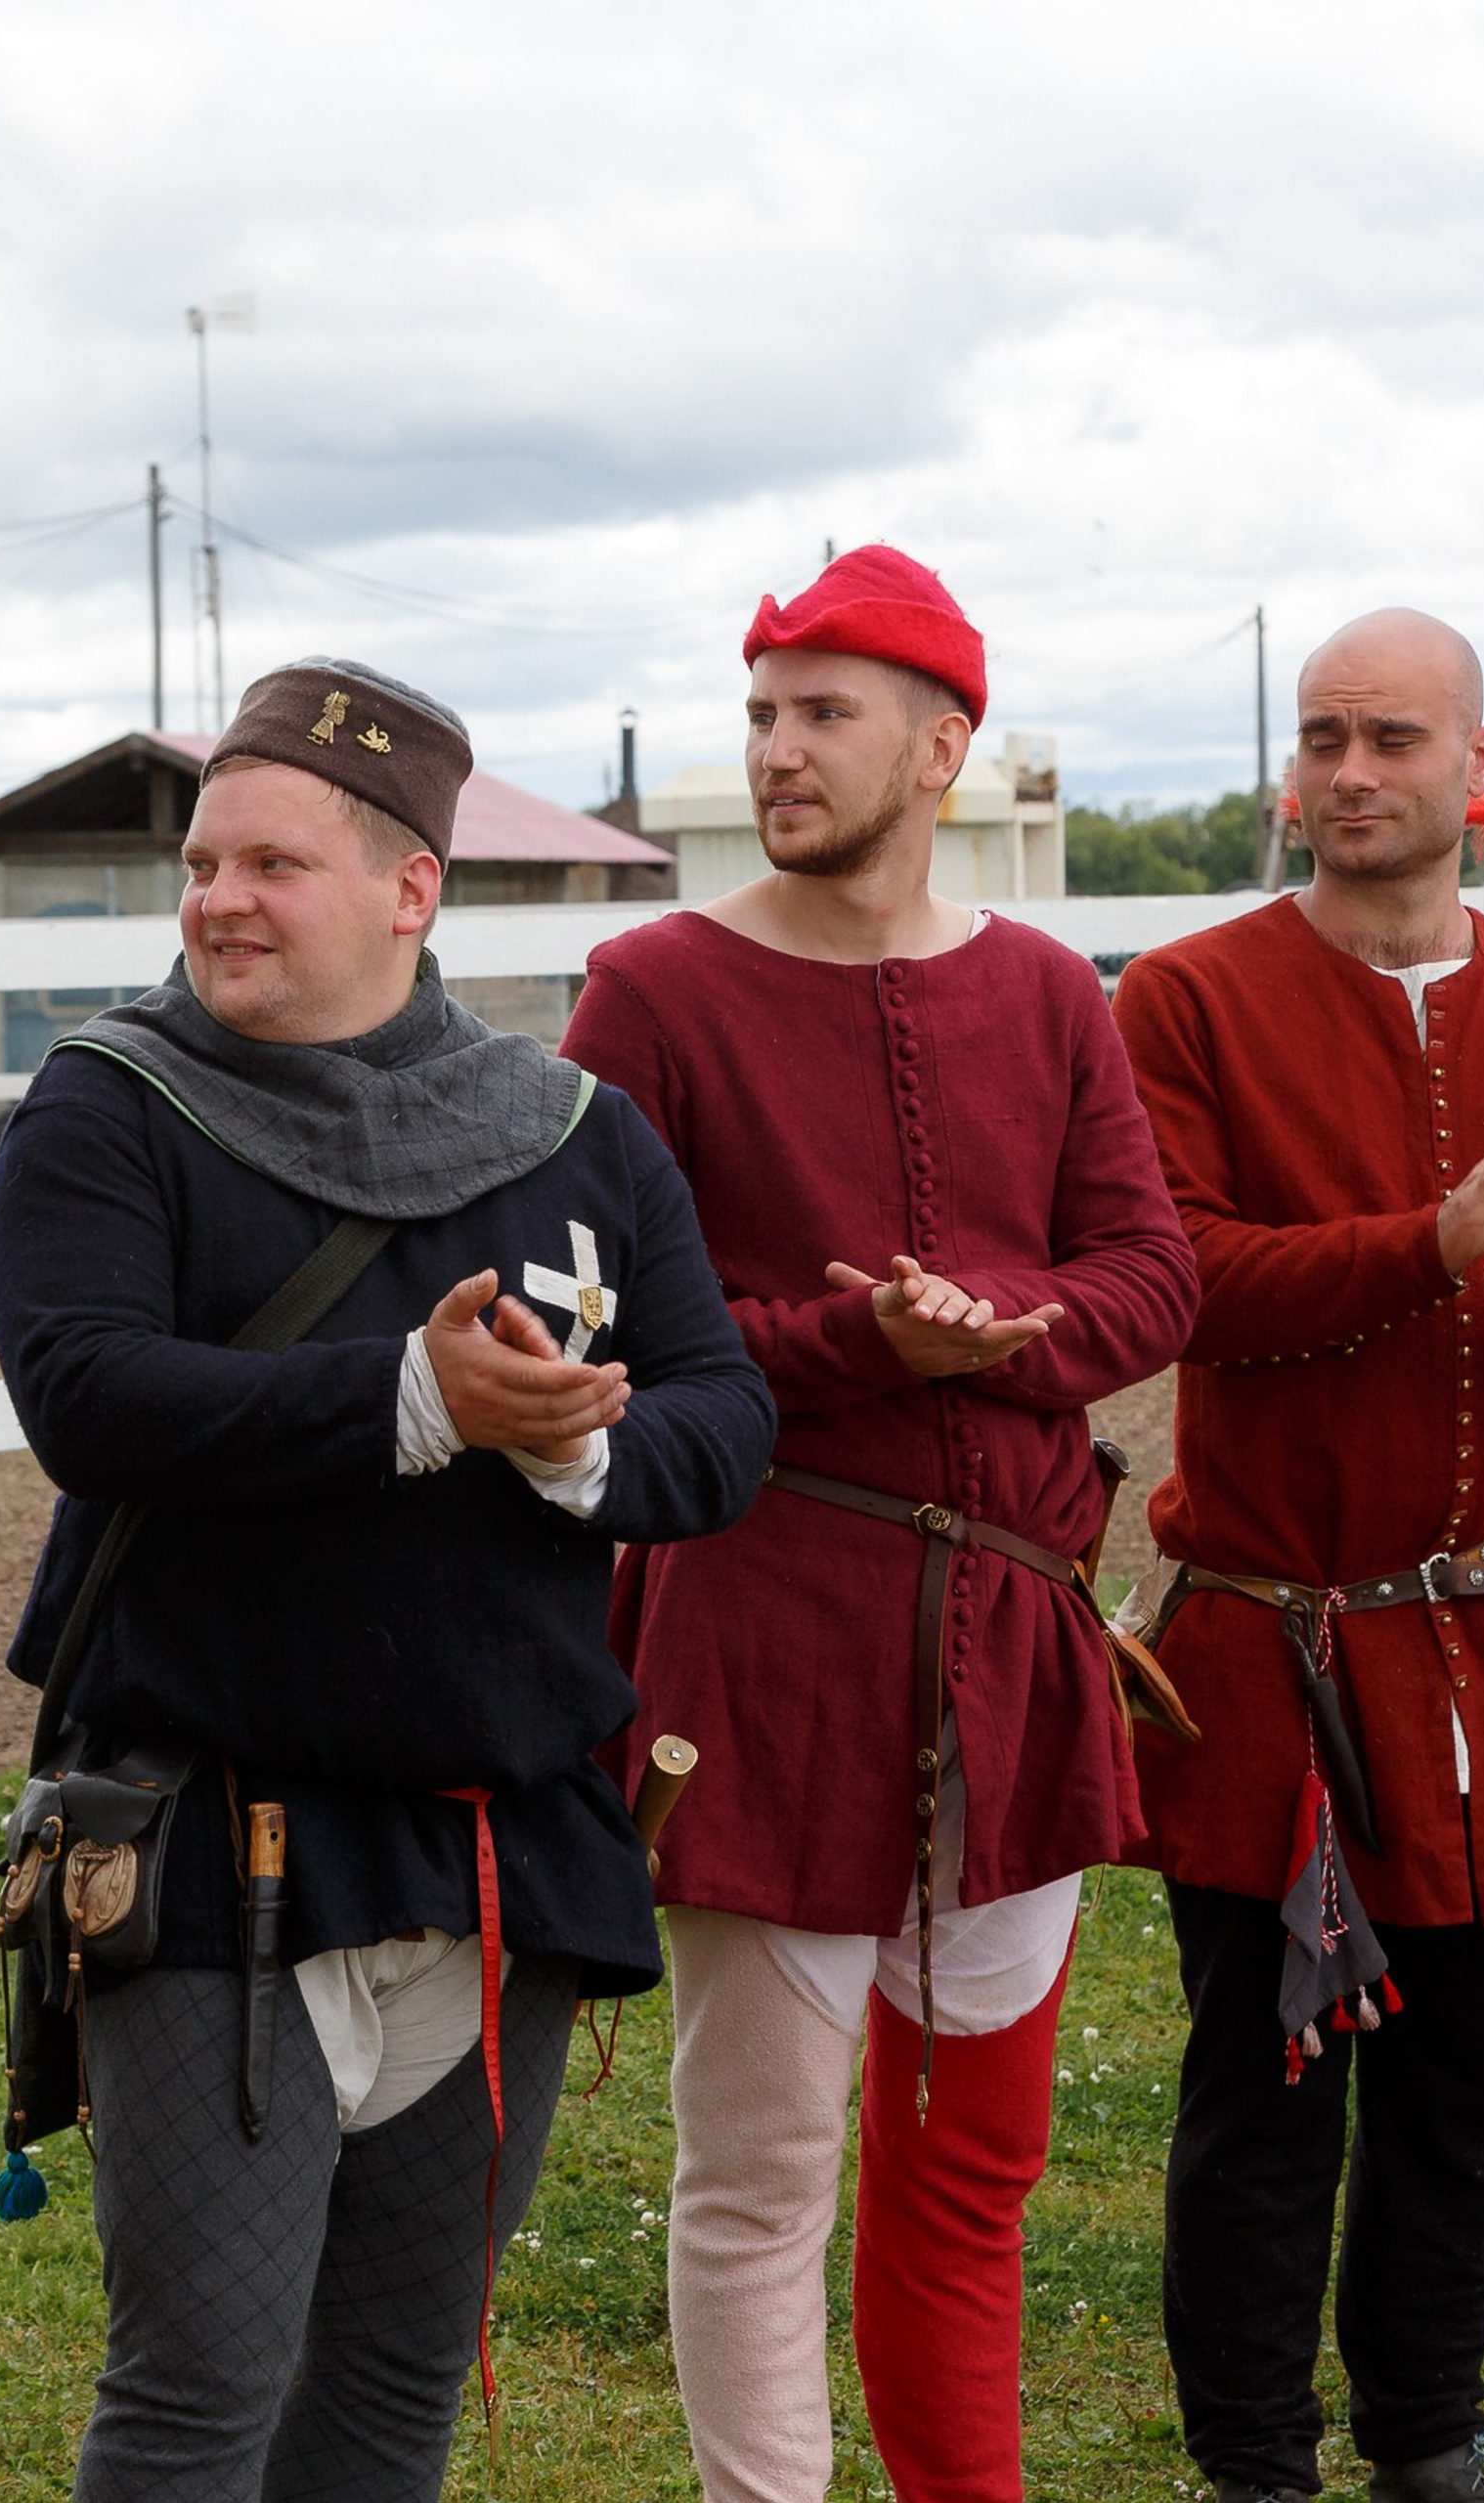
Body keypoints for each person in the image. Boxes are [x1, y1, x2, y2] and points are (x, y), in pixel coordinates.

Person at [0, 655, 775, 2503]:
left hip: (497, 1854)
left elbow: (725, 1419)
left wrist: (573, 1445)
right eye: (203, 863)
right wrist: (412, 1397)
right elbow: (91, 1397)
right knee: (199, 2397)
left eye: (272, 865)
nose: (218, 901)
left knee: (397, 2401)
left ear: (411, 888)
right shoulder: (112, 1104)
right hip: (210, 1841)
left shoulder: (573, 1133)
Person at [559, 544, 1200, 2503]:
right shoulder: (649, 986)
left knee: (972, 2173)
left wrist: (1007, 1337)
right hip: (759, 1633)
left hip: (1005, 1637)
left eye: (819, 712)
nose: (774, 746)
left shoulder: (1038, 992)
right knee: (758, 2177)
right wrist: (851, 1336)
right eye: (758, 710)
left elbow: (1149, 1270)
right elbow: (606, 1315)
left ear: (941, 750)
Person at [1112, 609, 1484, 2503]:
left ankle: (1428, 2438)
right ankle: (1251, 2462)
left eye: (1386, 737)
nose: (1346, 773)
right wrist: (1417, 1247)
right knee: (1260, 2092)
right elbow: (1175, 1278)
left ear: (1472, 759)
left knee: (1459, 2084)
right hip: (1267, 1638)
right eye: (1318, 738)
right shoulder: (1184, 998)